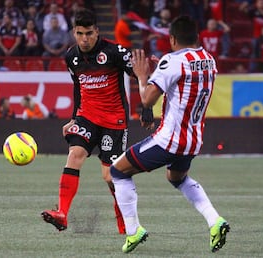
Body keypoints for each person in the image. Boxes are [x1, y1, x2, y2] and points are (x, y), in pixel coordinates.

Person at [109, 15, 230, 254]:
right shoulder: (209, 59)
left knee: (117, 171)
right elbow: (182, 81)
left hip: (170, 139)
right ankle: (215, 221)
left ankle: (134, 232)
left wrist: (143, 75)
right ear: (197, 37)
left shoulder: (172, 61)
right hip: (193, 139)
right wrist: (161, 71)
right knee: (177, 178)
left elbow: (146, 99)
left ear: (172, 39)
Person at [40, 8, 154, 235]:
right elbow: (77, 87)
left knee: (110, 176)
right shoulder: (71, 56)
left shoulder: (114, 52)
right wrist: (74, 118)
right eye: (80, 33)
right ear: (74, 32)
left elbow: (142, 74)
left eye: (89, 33)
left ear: (97, 32)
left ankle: (125, 223)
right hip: (87, 116)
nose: (84, 39)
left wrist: (147, 107)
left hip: (114, 121)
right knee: (75, 155)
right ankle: (62, 213)